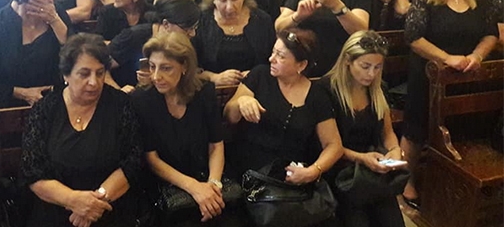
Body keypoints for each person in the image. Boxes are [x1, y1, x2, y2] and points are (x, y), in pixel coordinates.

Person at [400, 0, 498, 209]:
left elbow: (490, 33)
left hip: (466, 73)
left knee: (462, 128)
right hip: (428, 73)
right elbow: (413, 37)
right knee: (416, 129)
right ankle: (406, 181)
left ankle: (447, 185)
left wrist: (477, 56)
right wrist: (446, 59)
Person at [21, 33, 142, 227]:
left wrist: (94, 204)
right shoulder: (45, 109)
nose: (94, 82)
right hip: (56, 210)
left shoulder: (121, 105)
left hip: (109, 208)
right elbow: (33, 172)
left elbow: (132, 163)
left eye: (100, 73)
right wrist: (73, 200)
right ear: (66, 75)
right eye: (84, 74)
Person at [132, 32, 244, 226]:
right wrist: (194, 188)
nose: (156, 76)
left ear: (184, 66)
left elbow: (216, 145)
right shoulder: (142, 99)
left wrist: (213, 185)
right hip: (166, 184)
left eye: (166, 68)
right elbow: (152, 159)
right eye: (152, 66)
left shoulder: (204, 92)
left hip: (206, 176)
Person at [223, 29, 343, 202]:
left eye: (280, 56)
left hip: (292, 176)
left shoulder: (317, 96)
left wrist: (312, 171)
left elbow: (334, 145)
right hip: (251, 173)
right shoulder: (260, 76)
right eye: (273, 52)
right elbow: (229, 117)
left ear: (301, 65)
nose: (271, 59)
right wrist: (241, 101)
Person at [321, 31, 405, 227]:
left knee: (393, 222)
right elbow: (328, 146)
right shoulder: (326, 90)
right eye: (365, 66)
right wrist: (362, 159)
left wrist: (394, 150)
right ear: (348, 60)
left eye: (378, 67)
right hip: (339, 168)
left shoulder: (378, 89)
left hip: (370, 167)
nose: (371, 74)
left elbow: (387, 133)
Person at [195, 0, 276, 86]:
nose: (229, 7)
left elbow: (273, 62)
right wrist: (214, 77)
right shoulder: (201, 21)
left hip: (255, 89)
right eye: (222, 0)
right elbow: (189, 68)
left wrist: (255, 75)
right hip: (211, 90)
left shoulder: (262, 20)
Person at [108, 0, 200, 90]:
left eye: (194, 28)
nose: (192, 33)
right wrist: (119, 91)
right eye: (187, 29)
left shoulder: (187, 43)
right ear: (166, 24)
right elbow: (101, 65)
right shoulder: (133, 36)